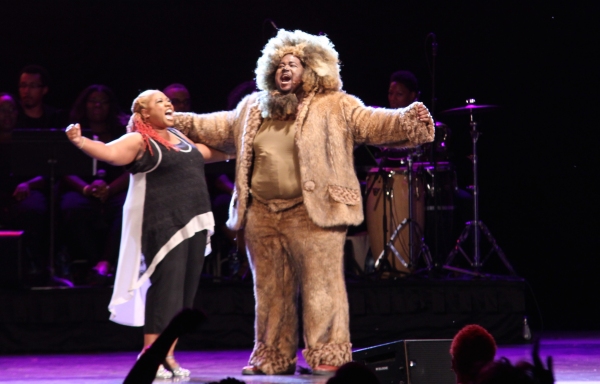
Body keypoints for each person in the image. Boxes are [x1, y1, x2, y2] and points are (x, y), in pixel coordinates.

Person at [172, 29, 434, 375]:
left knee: (321, 289)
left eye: (293, 63)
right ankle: (271, 356)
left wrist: (408, 121)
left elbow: (372, 122)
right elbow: (214, 126)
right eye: (280, 63)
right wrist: (170, 122)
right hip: (262, 214)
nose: (285, 69)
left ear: (310, 69)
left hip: (314, 215)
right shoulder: (252, 107)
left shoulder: (336, 105)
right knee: (269, 292)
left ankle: (329, 354)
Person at [65, 89, 231, 379]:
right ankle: (150, 353)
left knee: (185, 292)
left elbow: (201, 154)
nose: (168, 104)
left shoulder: (179, 137)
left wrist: (234, 152)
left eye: (168, 101)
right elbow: (111, 153)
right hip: (165, 224)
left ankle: (168, 354)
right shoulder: (140, 139)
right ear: (143, 114)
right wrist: (81, 142)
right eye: (159, 101)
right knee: (166, 289)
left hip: (195, 220)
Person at [60, 85, 130, 284]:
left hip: (115, 189)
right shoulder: (74, 131)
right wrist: (85, 188)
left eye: (103, 101)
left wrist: (110, 189)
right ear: (85, 104)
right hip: (82, 190)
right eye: (93, 100)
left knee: (129, 207)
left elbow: (132, 169)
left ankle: (106, 262)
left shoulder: (123, 132)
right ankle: (94, 263)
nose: (97, 105)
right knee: (71, 207)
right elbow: (64, 169)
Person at [0, 92, 49, 281]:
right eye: (3, 111)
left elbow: (46, 173)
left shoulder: (28, 139)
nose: (8, 115)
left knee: (34, 208)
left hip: (25, 192)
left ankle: (35, 265)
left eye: (12, 110)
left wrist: (27, 184)